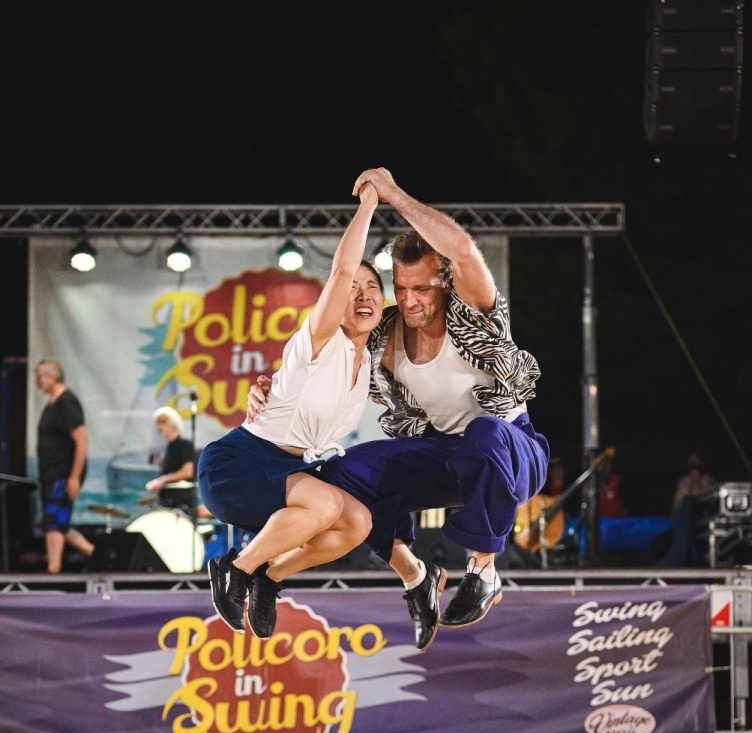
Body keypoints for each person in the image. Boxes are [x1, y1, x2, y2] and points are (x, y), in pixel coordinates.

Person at [249, 166, 549, 651]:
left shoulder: (475, 312)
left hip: (515, 453)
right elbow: (315, 354)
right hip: (446, 455)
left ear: (445, 283)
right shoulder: (385, 337)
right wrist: (267, 387)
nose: (409, 301)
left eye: (421, 289)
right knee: (345, 472)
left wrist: (391, 194)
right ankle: (414, 575)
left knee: (484, 433)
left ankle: (484, 572)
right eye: (401, 288)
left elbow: (462, 248)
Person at [197, 181, 384, 640]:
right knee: (325, 504)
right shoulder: (320, 339)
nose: (362, 295)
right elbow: (342, 270)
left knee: (357, 523)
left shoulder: (367, 364)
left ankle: (269, 576)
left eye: (373, 288)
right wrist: (370, 204)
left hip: (287, 472)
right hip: (238, 465)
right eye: (353, 289)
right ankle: (235, 569)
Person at [35, 358, 95, 573]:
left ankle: (53, 572)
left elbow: (82, 440)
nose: (37, 380)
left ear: (52, 376)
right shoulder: (52, 403)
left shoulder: (66, 402)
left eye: (39, 375)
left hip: (62, 472)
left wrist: (74, 477)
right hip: (50, 472)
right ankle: (96, 554)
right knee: (56, 523)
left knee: (54, 523)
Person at [145, 406, 196, 510]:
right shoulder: (168, 447)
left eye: (163, 421)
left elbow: (188, 472)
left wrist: (162, 480)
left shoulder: (184, 443)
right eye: (157, 422)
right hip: (166, 501)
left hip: (181, 503)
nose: (159, 425)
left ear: (174, 422)